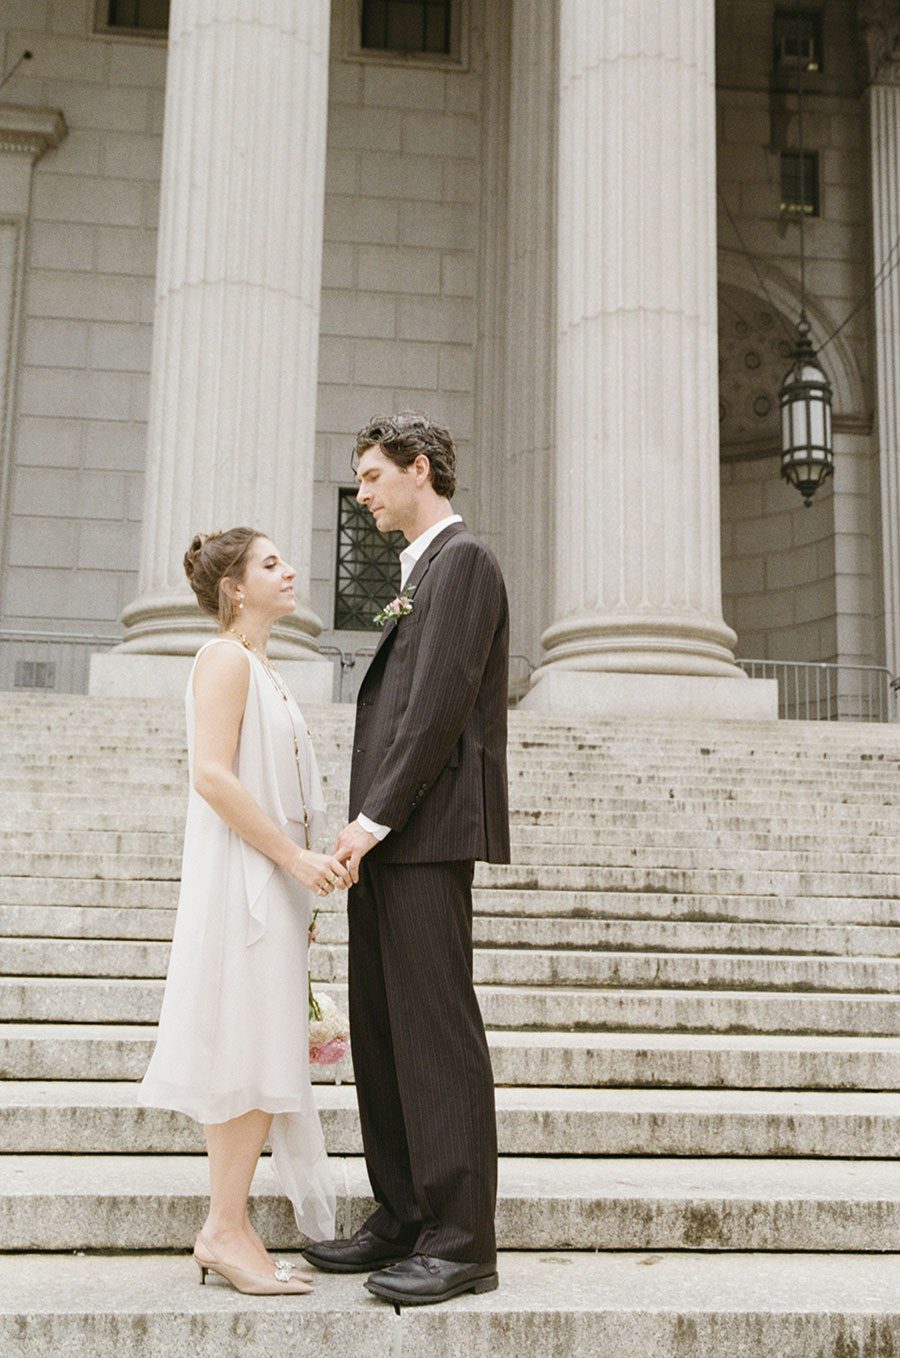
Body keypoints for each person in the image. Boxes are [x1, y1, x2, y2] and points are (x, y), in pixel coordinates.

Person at [302, 413, 510, 1306]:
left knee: (434, 1031)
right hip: (390, 842)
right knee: (382, 1031)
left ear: (420, 470)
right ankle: (400, 1214)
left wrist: (370, 819)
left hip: (423, 838)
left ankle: (461, 1240)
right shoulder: (417, 573)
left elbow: (436, 708)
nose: (363, 492)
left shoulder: (463, 564)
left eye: (373, 475)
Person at [138, 527, 352, 1296]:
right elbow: (213, 776)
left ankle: (227, 1225)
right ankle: (224, 1227)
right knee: (245, 1050)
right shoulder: (224, 659)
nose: (290, 570)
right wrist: (291, 858)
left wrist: (308, 864)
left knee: (260, 1050)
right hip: (245, 881)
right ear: (235, 587)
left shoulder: (264, 667)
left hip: (275, 885)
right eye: (270, 564)